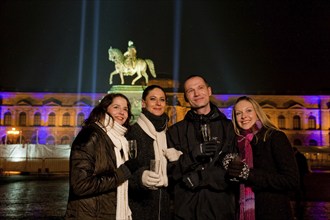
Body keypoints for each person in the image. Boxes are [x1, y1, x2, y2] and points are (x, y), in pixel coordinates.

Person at [166, 75, 237, 220]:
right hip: (186, 209)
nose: (197, 94)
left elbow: (233, 166)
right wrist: (193, 155)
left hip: (221, 208)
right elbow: (171, 172)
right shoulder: (175, 131)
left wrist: (201, 177)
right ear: (185, 97)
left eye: (200, 88)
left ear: (209, 91)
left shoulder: (229, 128)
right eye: (190, 91)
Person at [65, 93, 139, 220]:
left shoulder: (120, 140)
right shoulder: (90, 135)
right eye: (116, 107)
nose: (122, 112)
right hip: (89, 215)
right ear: (105, 109)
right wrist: (121, 173)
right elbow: (80, 185)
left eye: (125, 109)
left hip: (109, 213)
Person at [225, 96, 299, 220]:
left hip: (273, 212)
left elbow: (291, 180)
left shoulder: (275, 137)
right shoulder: (237, 143)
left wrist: (250, 174)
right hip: (242, 212)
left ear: (257, 112)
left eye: (249, 110)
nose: (244, 116)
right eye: (238, 113)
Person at [126, 85, 180, 220]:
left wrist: (177, 161)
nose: (158, 103)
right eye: (153, 99)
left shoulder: (168, 133)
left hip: (165, 206)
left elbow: (173, 176)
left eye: (162, 100)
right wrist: (140, 178)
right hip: (139, 206)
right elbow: (122, 169)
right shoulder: (132, 132)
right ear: (144, 103)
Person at [293, 147, 310, 219]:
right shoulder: (301, 156)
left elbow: (299, 165)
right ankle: (302, 196)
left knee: (300, 184)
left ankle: (300, 196)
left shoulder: (297, 157)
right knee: (301, 184)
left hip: (299, 172)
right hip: (301, 172)